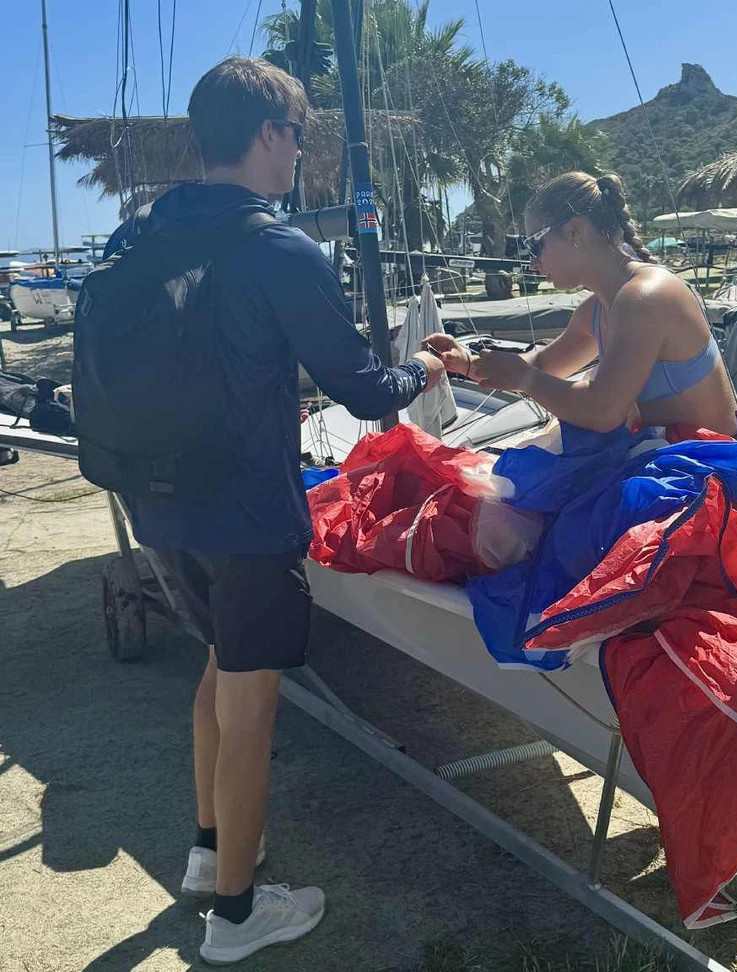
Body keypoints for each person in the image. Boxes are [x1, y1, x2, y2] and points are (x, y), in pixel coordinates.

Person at [100, 57, 444, 965]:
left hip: (157, 504)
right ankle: (238, 916)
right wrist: (428, 370)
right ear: (268, 135)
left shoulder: (141, 234)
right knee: (253, 705)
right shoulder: (277, 247)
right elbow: (366, 389)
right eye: (298, 134)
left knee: (217, 672)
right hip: (246, 515)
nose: (301, 153)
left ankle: (208, 857)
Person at [426, 170, 737, 861]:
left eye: (534, 245)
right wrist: (470, 364)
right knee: (706, 656)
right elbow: (544, 365)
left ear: (576, 233)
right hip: (678, 492)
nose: (530, 262)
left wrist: (524, 378)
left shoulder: (647, 296)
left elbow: (598, 408)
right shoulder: (599, 307)